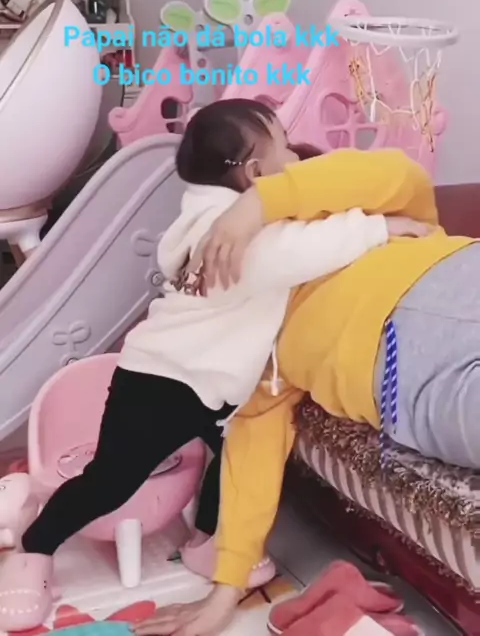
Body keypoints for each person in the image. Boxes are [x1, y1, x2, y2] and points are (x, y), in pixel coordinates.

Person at [0, 101, 426, 633]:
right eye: (285, 144)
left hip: (218, 388)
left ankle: (209, 543)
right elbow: (298, 252)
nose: (295, 156)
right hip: (161, 381)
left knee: (229, 463)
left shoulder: (221, 217)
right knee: (111, 480)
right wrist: (382, 227)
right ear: (256, 172)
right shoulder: (229, 235)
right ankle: (36, 546)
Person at [134, 143, 479, 636]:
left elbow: (396, 173)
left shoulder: (392, 223)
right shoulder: (258, 336)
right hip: (422, 377)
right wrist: (225, 590)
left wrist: (259, 203)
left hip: (458, 276)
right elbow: (250, 454)